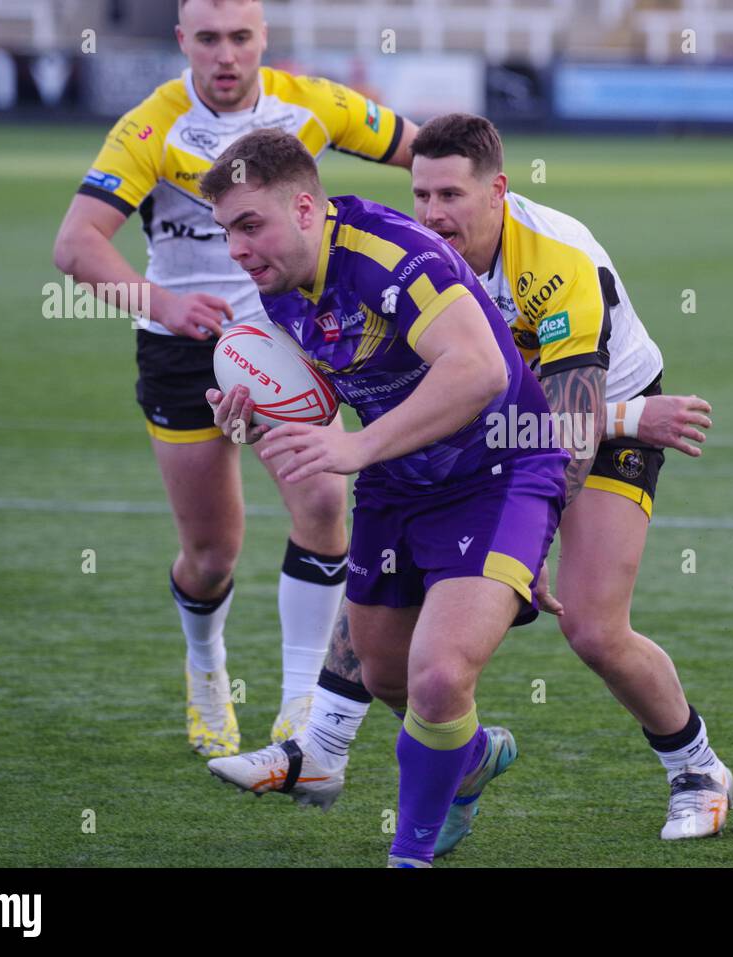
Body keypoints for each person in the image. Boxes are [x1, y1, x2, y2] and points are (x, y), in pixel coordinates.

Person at [217, 114, 733, 852]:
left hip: (595, 415)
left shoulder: (556, 263)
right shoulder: (399, 255)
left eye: (452, 194)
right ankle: (356, 747)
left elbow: (567, 424)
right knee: (393, 629)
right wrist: (262, 409)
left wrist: (537, 530)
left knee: (590, 624)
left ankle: (697, 768)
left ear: (499, 190)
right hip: (479, 426)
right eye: (421, 192)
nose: (432, 212)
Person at [51, 0, 419, 755]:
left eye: (240, 38)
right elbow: (76, 244)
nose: (225, 56)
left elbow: (425, 152)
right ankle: (207, 668)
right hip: (182, 348)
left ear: (263, 41)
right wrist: (163, 302)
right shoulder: (152, 127)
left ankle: (298, 701)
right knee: (213, 551)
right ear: (183, 40)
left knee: (322, 499)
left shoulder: (313, 105)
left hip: (290, 338)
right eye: (209, 39)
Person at [201, 127, 568, 867]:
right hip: (401, 482)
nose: (237, 249)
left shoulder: (391, 256)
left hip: (501, 465)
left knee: (438, 676)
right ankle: (466, 759)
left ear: (305, 208)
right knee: (385, 674)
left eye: (250, 224)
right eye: (226, 232)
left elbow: (480, 370)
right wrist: (260, 411)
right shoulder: (280, 288)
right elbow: (336, 379)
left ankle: (410, 853)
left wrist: (358, 446)